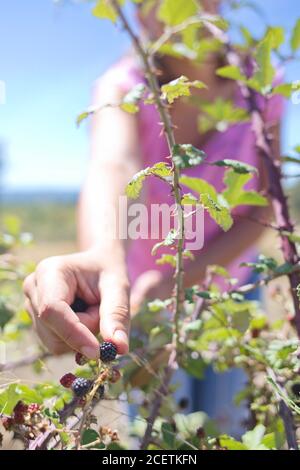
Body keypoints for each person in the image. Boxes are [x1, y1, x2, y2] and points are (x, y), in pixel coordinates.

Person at [23, 0, 283, 432]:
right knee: (159, 431)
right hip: (141, 299)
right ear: (137, 14)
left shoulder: (259, 86)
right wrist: (102, 255)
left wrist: (190, 273)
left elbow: (262, 203)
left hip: (230, 287)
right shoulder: (123, 86)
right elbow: (114, 166)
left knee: (224, 424)